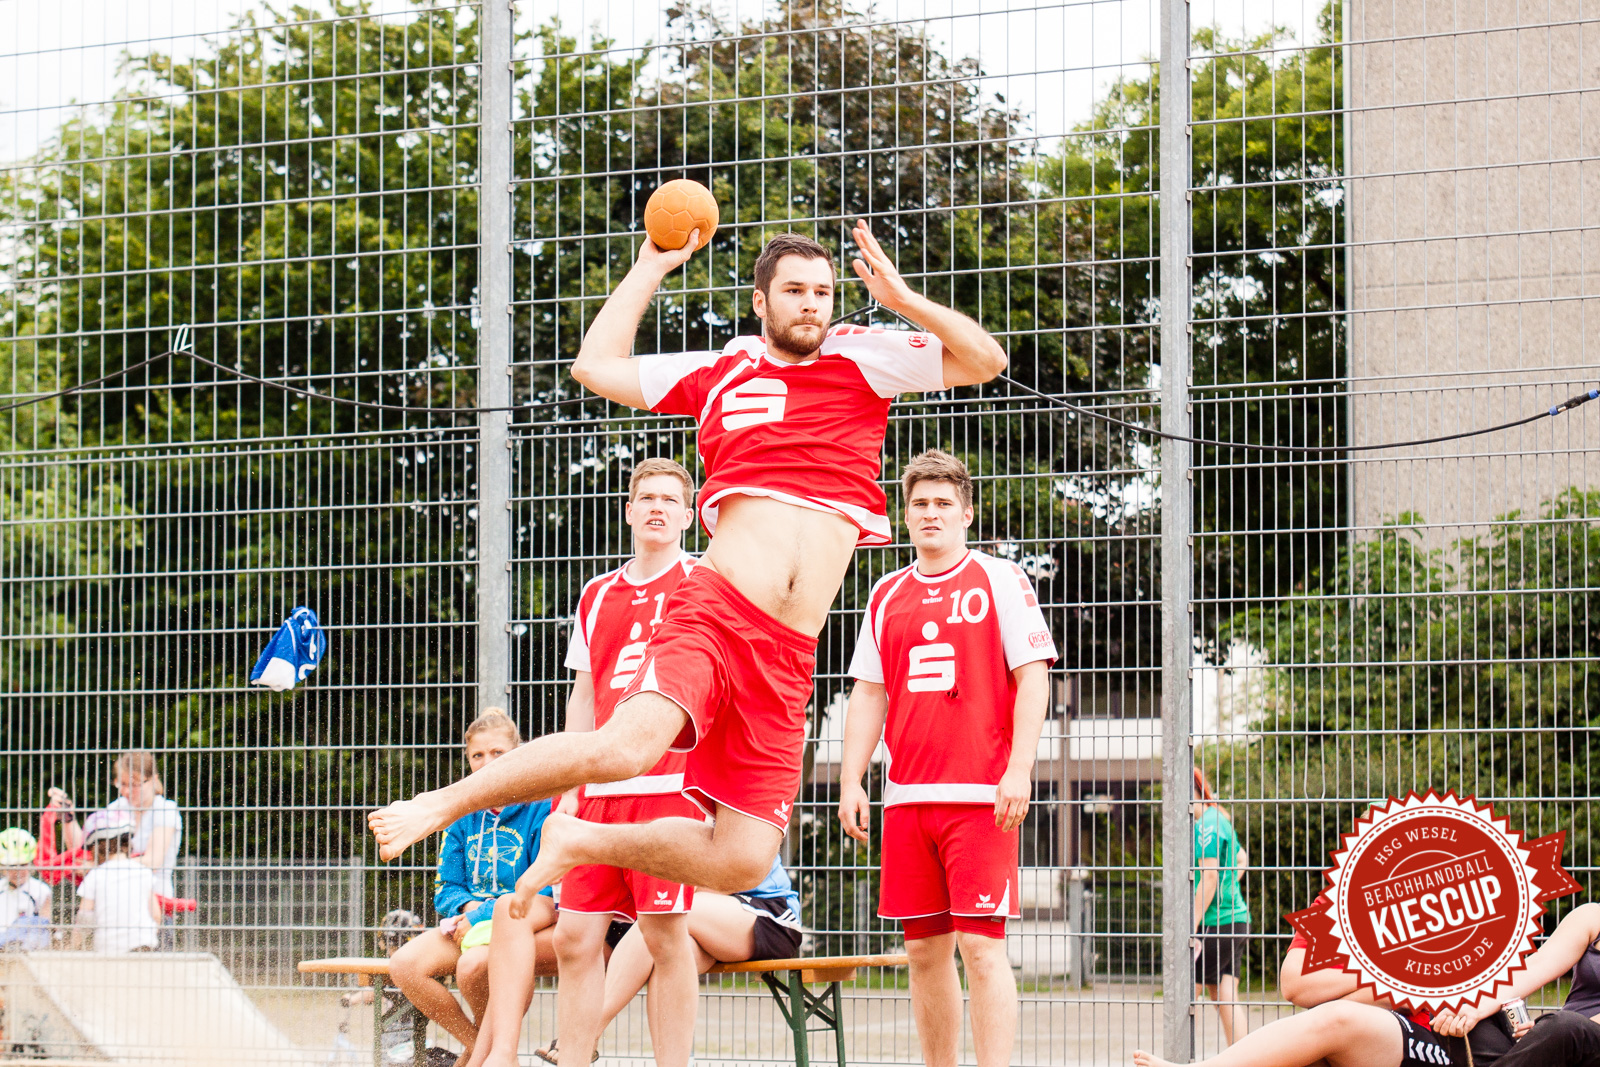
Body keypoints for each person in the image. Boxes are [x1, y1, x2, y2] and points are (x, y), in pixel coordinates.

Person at [369, 220, 1008, 918]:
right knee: (626, 747)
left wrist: (905, 298)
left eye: (822, 292)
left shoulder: (866, 358)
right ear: (761, 302)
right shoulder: (722, 368)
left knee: (744, 856)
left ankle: (582, 838)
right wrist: (649, 265)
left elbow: (984, 360)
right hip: (717, 610)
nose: (811, 304)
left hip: (789, 650)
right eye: (793, 290)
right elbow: (596, 365)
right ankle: (443, 801)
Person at [837, 449, 1055, 1067]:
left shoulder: (1000, 579)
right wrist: (853, 778)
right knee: (925, 953)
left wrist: (1019, 769)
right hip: (907, 798)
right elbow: (869, 693)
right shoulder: (885, 594)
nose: (930, 514)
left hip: (981, 796)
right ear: (904, 515)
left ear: (966, 513)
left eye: (943, 504)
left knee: (982, 949)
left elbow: (1034, 678)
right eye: (920, 504)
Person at [547, 458, 703, 1067]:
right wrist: (568, 785)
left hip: (670, 789)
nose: (659, 507)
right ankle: (575, 1058)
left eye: (671, 499)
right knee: (573, 936)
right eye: (648, 498)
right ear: (631, 510)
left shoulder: (704, 583)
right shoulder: (598, 593)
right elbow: (585, 695)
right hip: (601, 796)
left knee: (665, 937)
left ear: (689, 516)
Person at [1132, 895, 1515, 1067]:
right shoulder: (1333, 905)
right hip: (1369, 1029)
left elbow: (1496, 983)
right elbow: (1296, 985)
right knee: (1308, 1039)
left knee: (1334, 1017)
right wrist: (1387, 973)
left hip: (1439, 1041)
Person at [389, 709, 556, 1066]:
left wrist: (481, 914)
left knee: (473, 967)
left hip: (521, 920)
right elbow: (446, 887)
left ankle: (478, 1058)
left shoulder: (541, 808)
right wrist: (467, 912)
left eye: (498, 753)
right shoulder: (463, 816)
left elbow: (545, 888)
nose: (487, 763)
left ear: (517, 754)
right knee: (404, 965)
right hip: (468, 924)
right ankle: (479, 1047)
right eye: (477, 756)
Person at [534, 855, 804, 1065]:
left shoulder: (725, 799)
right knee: (665, 949)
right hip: (700, 916)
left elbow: (732, 876)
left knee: (660, 918)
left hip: (765, 912)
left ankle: (586, 1032)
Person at [1430, 901, 1600, 1065]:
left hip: (1582, 1041)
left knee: (1565, 1027)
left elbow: (1565, 1030)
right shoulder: (1592, 916)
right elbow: (1538, 965)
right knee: (1456, 1007)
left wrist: (1549, 1033)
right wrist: (1477, 1007)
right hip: (1557, 1037)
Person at [62, 752, 183, 904]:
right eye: (122, 784)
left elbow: (153, 861)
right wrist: (68, 817)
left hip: (154, 901)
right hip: (115, 900)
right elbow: (86, 850)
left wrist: (99, 866)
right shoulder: (118, 807)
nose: (126, 791)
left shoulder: (166, 810)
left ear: (153, 780)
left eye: (134, 784)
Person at [1193, 767, 1251, 1045]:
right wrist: (1228, 888)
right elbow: (1242, 859)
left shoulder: (1206, 826)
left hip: (1216, 923)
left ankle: (1176, 1056)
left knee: (1185, 991)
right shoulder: (1219, 818)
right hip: (1236, 920)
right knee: (1225, 996)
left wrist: (1189, 925)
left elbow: (1210, 876)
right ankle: (1244, 1061)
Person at [71, 809, 159, 953]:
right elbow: (155, 914)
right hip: (144, 945)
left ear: (95, 845)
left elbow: (84, 918)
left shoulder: (95, 875)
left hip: (109, 948)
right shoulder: (143, 872)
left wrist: (74, 945)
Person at [0, 829, 51, 950]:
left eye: (23, 865)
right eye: (12, 866)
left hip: (25, 949)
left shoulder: (41, 890)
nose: (18, 871)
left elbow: (44, 924)